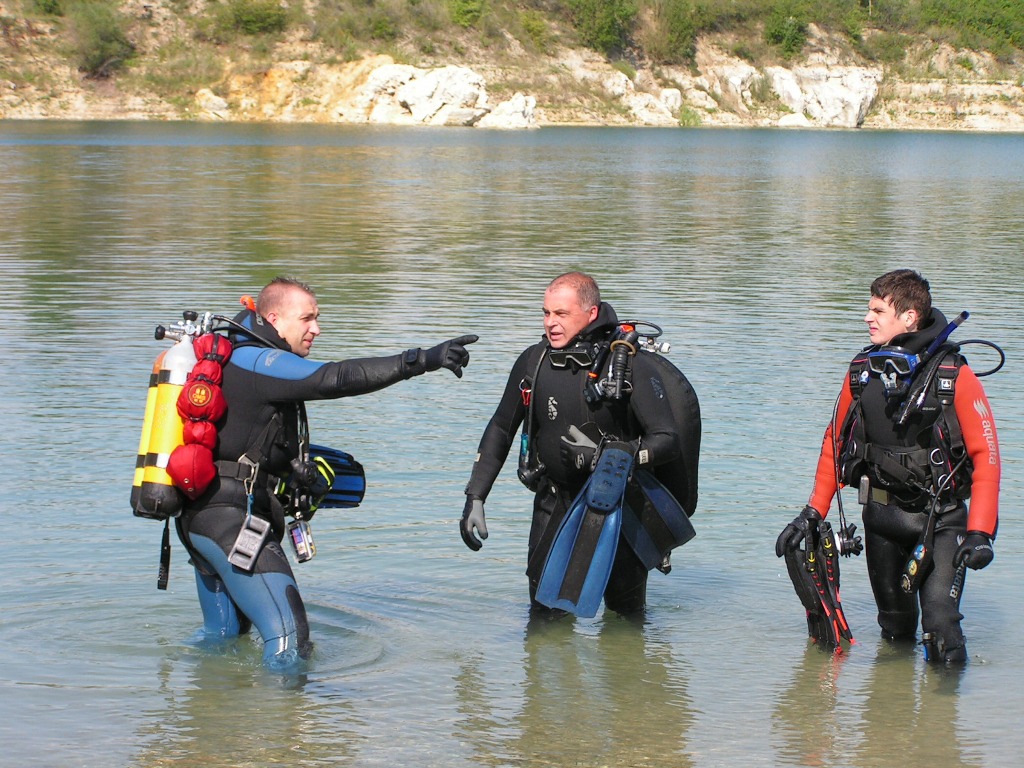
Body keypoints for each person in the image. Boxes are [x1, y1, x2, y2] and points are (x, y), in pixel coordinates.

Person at [175, 277, 477, 669]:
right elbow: (333, 378)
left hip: (202, 520)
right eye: (308, 318)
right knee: (290, 642)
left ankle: (206, 725)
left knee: (221, 639)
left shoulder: (233, 356)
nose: (316, 328)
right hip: (230, 526)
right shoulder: (259, 360)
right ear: (274, 318)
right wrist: (419, 360)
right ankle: (289, 729)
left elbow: (245, 444)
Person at [776, 269, 1000, 664]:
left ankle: (943, 716)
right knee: (894, 631)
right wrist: (812, 512)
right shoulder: (861, 373)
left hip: (941, 521)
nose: (867, 317)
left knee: (941, 626)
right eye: (869, 309)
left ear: (910, 317)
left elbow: (987, 458)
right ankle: (889, 721)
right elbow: (834, 443)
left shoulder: (954, 376)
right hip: (881, 517)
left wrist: (980, 533)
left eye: (878, 310)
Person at [459, 272, 695, 615]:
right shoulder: (533, 361)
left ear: (591, 313)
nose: (551, 323)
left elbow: (667, 441)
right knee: (544, 620)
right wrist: (475, 495)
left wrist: (609, 456)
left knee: (624, 623)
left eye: (561, 314)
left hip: (619, 510)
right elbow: (500, 427)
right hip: (554, 503)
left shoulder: (631, 367)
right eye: (546, 313)